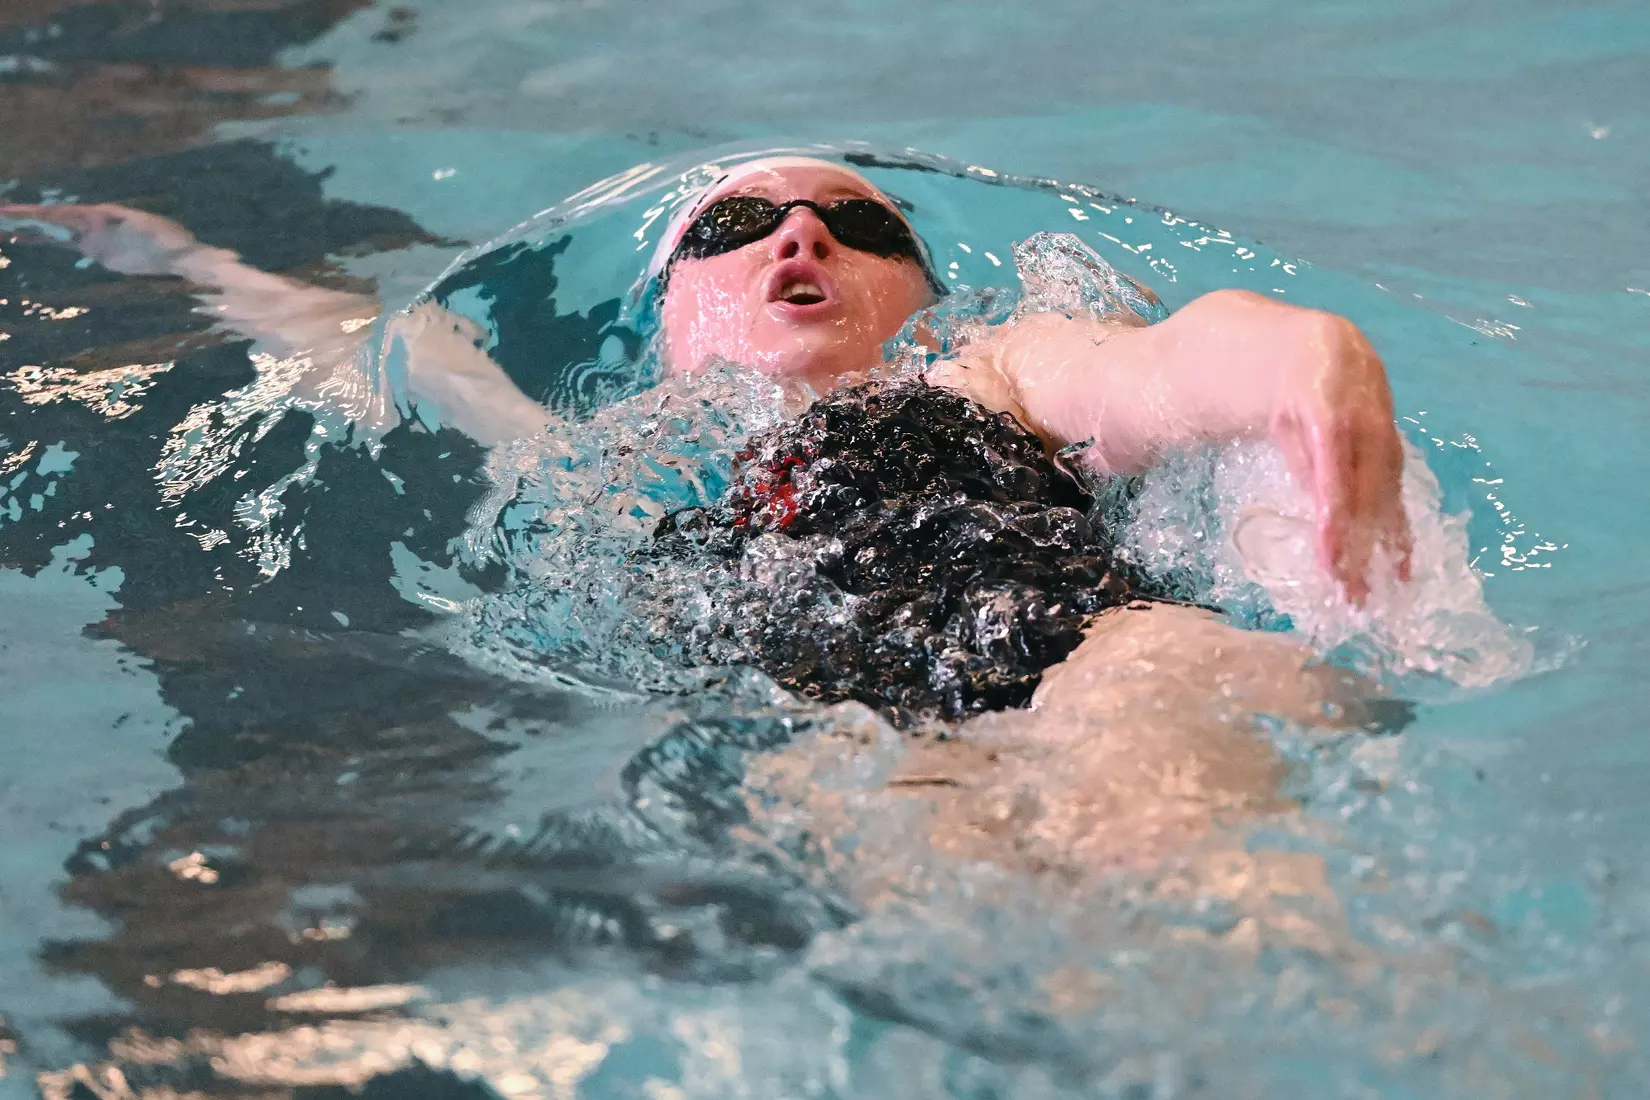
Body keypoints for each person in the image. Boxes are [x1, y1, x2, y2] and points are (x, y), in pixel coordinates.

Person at [3, 156, 1409, 864]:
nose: (800, 237)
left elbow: (1165, 369)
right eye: (734, 231)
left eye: (864, 231)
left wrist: (1306, 355)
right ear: (672, 320)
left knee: (1187, 826)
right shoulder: (607, 458)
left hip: (1114, 670)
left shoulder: (997, 368)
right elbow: (392, 351)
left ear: (921, 304)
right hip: (853, 746)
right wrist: (175, 253)